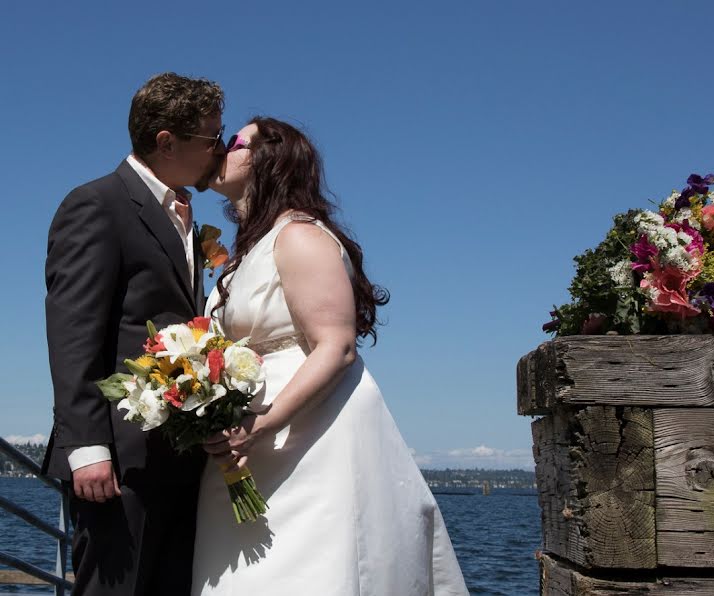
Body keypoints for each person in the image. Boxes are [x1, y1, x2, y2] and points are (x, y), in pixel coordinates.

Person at [192, 117, 469, 595]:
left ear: (270, 158)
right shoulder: (248, 252)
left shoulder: (298, 235)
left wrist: (261, 426)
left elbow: (336, 346)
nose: (220, 150)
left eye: (234, 142)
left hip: (307, 437)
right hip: (250, 445)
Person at [42, 73, 226, 596]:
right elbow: (73, 331)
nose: (219, 149)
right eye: (211, 138)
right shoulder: (97, 205)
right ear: (166, 142)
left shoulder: (186, 217)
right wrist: (87, 448)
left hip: (175, 458)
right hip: (118, 461)